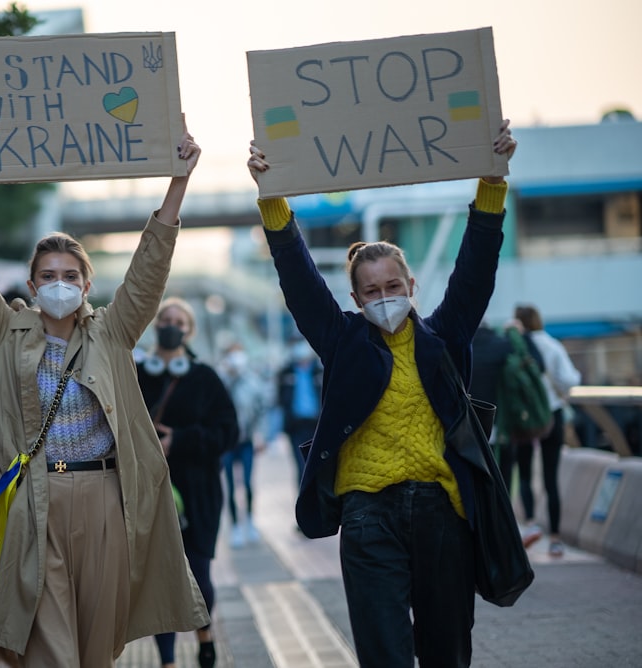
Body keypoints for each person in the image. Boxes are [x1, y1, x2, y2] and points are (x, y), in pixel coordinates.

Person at [0, 116, 209, 666]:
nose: (59, 285)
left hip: (104, 502)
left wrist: (179, 182)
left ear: (86, 284)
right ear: (31, 285)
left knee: (97, 648)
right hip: (35, 503)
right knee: (49, 650)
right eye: (48, 275)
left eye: (70, 276)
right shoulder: (5, 333)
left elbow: (149, 270)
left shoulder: (114, 331)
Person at [247, 120, 517, 668]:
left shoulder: (445, 338)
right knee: (384, 656)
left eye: (393, 286)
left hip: (443, 512)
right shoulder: (342, 341)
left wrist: (492, 182)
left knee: (447, 652)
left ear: (411, 286)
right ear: (355, 297)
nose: (384, 297)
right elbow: (298, 279)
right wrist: (271, 198)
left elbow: (475, 272)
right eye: (371, 291)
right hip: (367, 516)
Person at [136, 297, 239, 668]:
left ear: (189, 331)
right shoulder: (134, 374)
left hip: (199, 494)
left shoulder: (204, 378)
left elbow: (228, 432)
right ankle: (167, 660)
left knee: (197, 572)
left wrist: (177, 440)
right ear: (155, 323)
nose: (172, 325)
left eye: (180, 321)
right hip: (149, 492)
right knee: (158, 579)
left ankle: (205, 636)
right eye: (166, 318)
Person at [512, 304, 582, 558]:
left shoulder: (514, 346)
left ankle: (530, 524)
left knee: (525, 473)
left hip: (523, 417)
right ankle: (555, 539)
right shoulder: (552, 345)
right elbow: (570, 379)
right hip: (552, 415)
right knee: (551, 478)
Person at [217, 341, 269, 548]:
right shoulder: (221, 380)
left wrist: (261, 435)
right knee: (229, 485)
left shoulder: (252, 381)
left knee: (247, 483)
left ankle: (250, 520)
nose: (236, 359)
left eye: (239, 354)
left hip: (247, 441)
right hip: (228, 443)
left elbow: (262, 409)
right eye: (232, 354)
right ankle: (235, 527)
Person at [469, 322, 514, 489]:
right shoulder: (502, 345)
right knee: (504, 476)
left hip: (469, 425)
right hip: (501, 422)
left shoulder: (460, 346)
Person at [276, 340, 323, 488]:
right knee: (301, 468)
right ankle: (305, 505)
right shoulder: (286, 373)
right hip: (296, 427)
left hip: (317, 426)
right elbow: (280, 400)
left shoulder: (319, 371)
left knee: (319, 469)